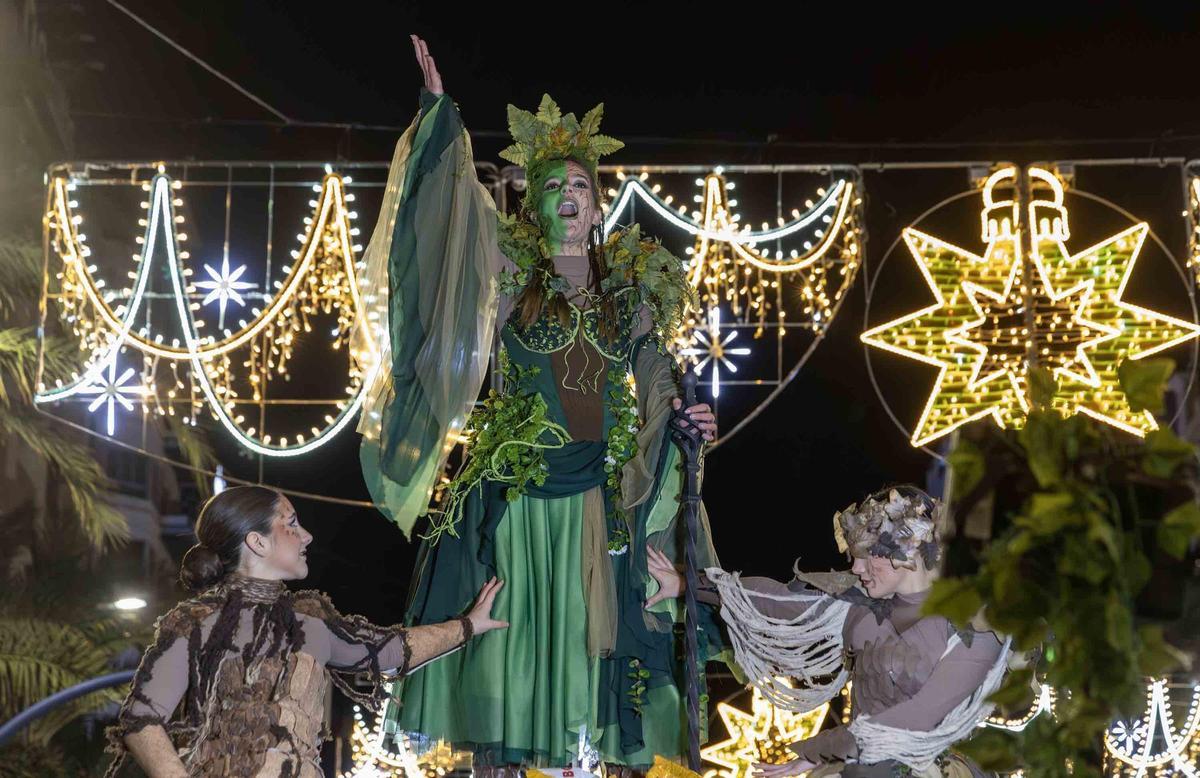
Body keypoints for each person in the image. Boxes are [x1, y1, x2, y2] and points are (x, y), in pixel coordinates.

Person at [353, 35, 723, 769]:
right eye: (554, 187)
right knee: (514, 632)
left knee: (598, 630)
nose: (569, 198)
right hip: (521, 487)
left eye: (580, 187)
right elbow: (444, 217)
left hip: (601, 491)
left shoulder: (629, 291)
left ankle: (583, 757)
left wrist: (684, 412)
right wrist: (438, 119)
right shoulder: (506, 270)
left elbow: (653, 375)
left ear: (597, 205)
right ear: (533, 198)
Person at [103, 485, 506, 778]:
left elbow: (390, 653)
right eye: (291, 524)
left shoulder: (310, 624)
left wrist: (469, 625)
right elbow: (140, 719)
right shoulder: (195, 625)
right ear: (257, 542)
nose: (307, 536)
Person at [646, 486, 1010, 778]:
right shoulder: (859, 605)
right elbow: (773, 600)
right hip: (856, 764)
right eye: (855, 555)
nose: (856, 566)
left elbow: (917, 717)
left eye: (868, 555)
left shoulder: (974, 624)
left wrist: (820, 750)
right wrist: (684, 583)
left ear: (909, 550)